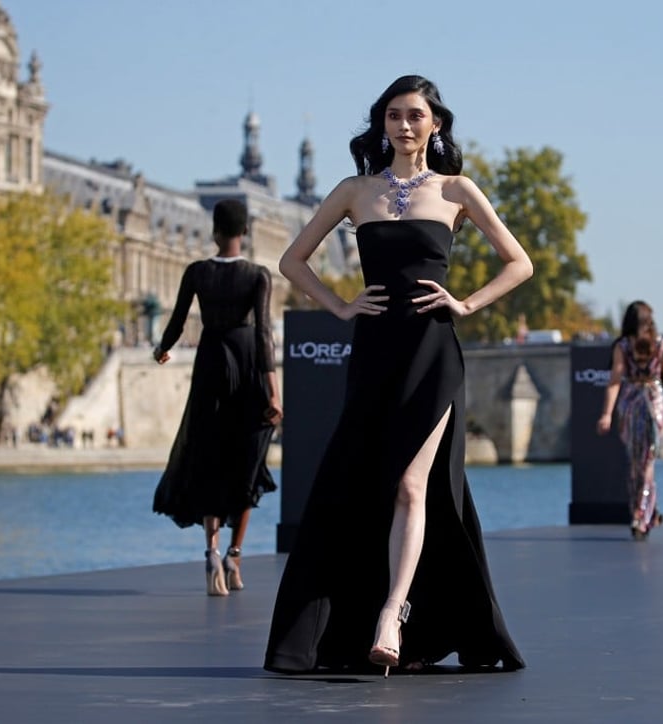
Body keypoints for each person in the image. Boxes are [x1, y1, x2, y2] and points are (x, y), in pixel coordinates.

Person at [264, 75, 532, 675]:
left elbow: (520, 262)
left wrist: (466, 304)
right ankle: (349, 619)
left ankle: (392, 614)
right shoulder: (355, 191)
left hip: (433, 354)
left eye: (415, 115)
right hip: (375, 353)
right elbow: (291, 260)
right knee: (365, 486)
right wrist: (339, 307)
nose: (404, 126)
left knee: (414, 485)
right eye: (393, 115)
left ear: (435, 123)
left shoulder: (457, 189)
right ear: (381, 123)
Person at [152, 199, 283, 596]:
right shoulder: (258, 275)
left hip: (210, 362)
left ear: (214, 232)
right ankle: (234, 555)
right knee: (248, 461)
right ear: (244, 233)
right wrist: (274, 389)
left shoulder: (197, 272)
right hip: (246, 365)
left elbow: (177, 318)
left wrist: (162, 347)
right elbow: (263, 334)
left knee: (209, 456)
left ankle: (210, 552)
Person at [596, 300, 663, 540]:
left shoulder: (622, 346)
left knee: (634, 461)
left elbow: (614, 381)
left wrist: (606, 414)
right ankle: (644, 514)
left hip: (630, 403)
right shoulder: (661, 345)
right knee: (647, 460)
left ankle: (640, 511)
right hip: (653, 402)